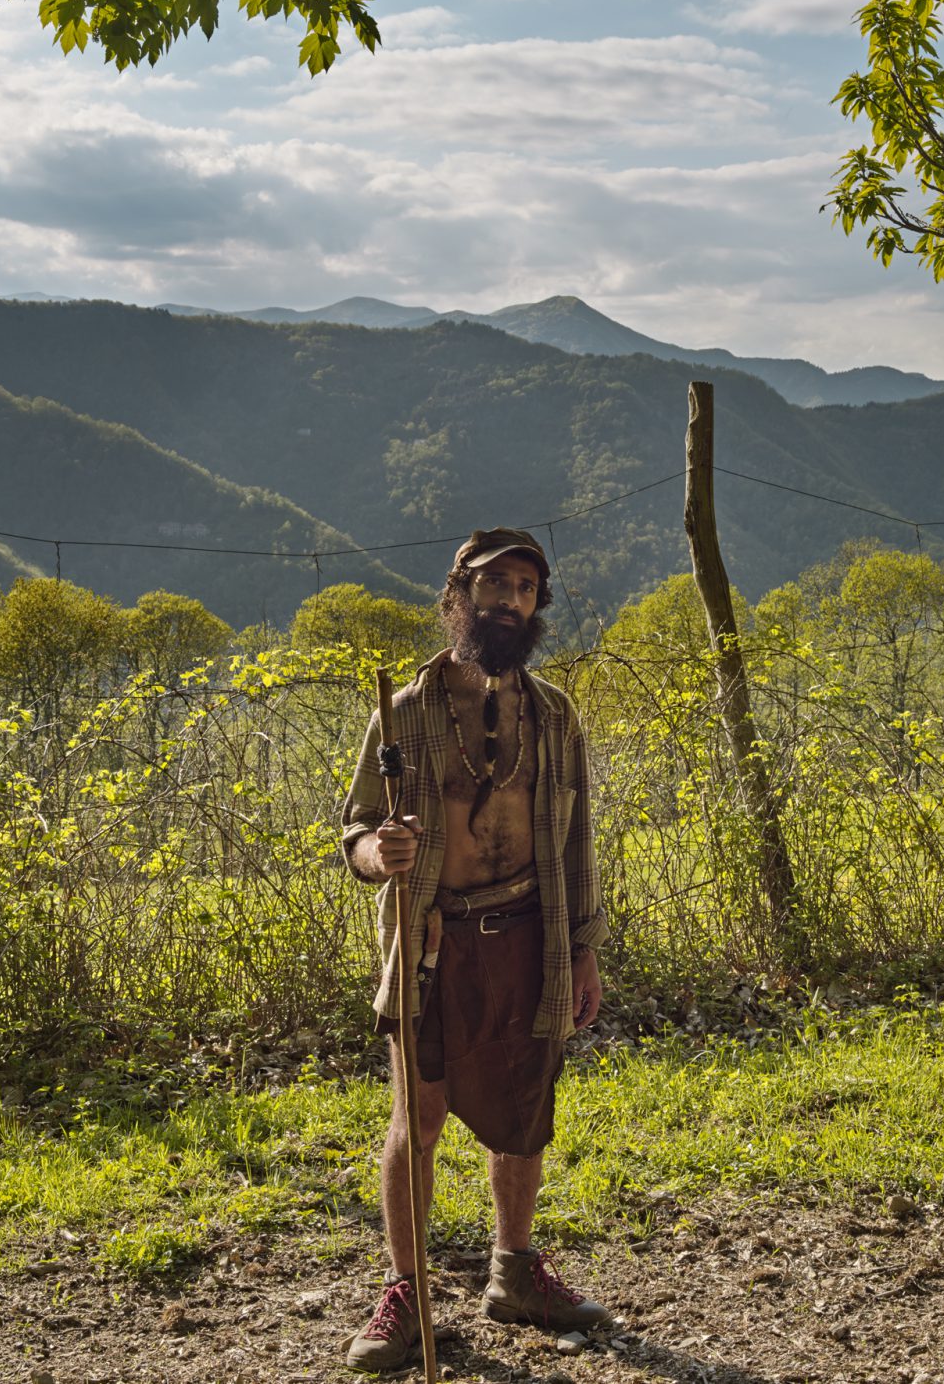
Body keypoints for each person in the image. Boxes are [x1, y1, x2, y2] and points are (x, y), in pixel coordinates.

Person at [338, 527, 611, 1373]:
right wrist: (374, 853)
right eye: (496, 585)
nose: (511, 601)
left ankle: (514, 1274)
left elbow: (575, 845)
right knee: (416, 1117)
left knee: (522, 1111)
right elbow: (353, 827)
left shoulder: (553, 715)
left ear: (536, 607)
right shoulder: (405, 710)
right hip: (432, 944)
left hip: (530, 936)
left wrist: (583, 950)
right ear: (459, 595)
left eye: (527, 589)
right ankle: (408, 1294)